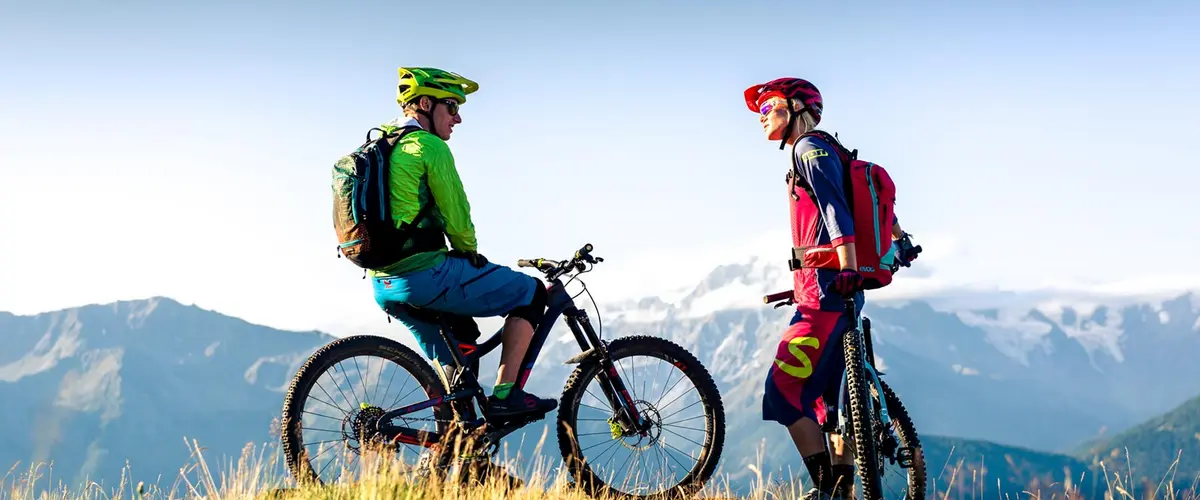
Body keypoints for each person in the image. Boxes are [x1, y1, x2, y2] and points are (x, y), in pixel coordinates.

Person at [743, 77, 918, 500]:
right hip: (833, 289)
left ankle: (825, 489)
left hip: (826, 293)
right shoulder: (830, 149)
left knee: (782, 390)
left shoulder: (809, 148)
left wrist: (846, 266)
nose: (762, 118)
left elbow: (835, 208)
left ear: (795, 107)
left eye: (769, 108)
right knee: (831, 404)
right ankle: (841, 492)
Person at [368, 67, 557, 421]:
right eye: (451, 106)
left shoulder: (384, 145)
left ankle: (465, 449)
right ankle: (506, 395)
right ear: (425, 103)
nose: (458, 117)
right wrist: (468, 251)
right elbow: (456, 215)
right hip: (425, 275)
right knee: (531, 293)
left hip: (385, 284)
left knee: (458, 366)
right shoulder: (428, 146)